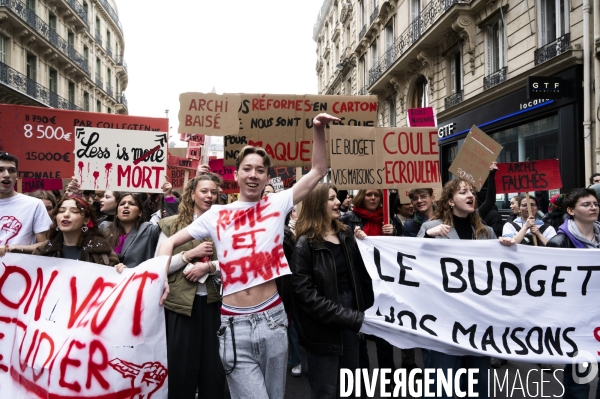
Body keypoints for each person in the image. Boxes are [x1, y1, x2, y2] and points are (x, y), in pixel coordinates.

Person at [157, 113, 337, 399]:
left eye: (260, 170)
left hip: (273, 319)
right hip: (232, 325)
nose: (253, 174)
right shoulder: (216, 214)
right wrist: (160, 278)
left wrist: (317, 129)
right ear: (236, 173)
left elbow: (318, 170)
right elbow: (168, 244)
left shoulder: (277, 204)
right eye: (247, 168)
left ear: (268, 176)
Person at [416, 177, 510, 399]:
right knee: (441, 387)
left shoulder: (485, 232)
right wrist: (428, 237)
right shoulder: (430, 227)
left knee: (479, 387)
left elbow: (498, 272)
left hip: (478, 322)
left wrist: (508, 249)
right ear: (449, 201)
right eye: (463, 192)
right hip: (444, 322)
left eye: (472, 192)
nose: (470, 196)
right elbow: (412, 261)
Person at [291, 183, 372, 398]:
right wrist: (346, 315)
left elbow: (360, 276)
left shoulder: (346, 236)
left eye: (336, 197)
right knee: (326, 390)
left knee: (350, 387)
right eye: (331, 198)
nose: (338, 202)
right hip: (322, 326)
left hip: (350, 319)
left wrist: (365, 244)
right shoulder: (304, 245)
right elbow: (305, 295)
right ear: (317, 204)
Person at [157, 174, 225, 399]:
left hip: (215, 306)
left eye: (213, 192)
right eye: (204, 191)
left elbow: (236, 263)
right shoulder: (171, 225)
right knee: (181, 372)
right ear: (192, 194)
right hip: (181, 308)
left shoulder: (225, 223)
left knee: (213, 372)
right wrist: (188, 256)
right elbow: (159, 268)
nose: (209, 196)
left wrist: (209, 267)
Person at [340, 189, 408, 376]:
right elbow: (342, 251)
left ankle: (389, 379)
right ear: (362, 196)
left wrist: (393, 233)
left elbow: (402, 250)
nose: (372, 198)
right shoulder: (348, 220)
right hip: (359, 286)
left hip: (383, 286)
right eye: (369, 194)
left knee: (384, 338)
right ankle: (363, 382)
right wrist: (352, 239)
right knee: (360, 335)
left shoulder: (390, 219)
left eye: (376, 195)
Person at [547, 188, 600, 399]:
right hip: (578, 324)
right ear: (570, 210)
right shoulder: (559, 243)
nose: (593, 207)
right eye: (586, 205)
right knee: (580, 380)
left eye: (595, 203)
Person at [31, 196, 119, 265]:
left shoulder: (101, 250)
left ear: (86, 220)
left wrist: (120, 270)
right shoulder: (44, 250)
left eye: (74, 211)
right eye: (61, 211)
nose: (66, 215)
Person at [0, 152, 52, 256]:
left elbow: (46, 244)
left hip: (19, 270)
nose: (6, 175)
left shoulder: (34, 204)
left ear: (17, 176)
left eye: (11, 170)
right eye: (0, 170)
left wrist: (18, 248)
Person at [107, 193, 161, 269]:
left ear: (140, 213)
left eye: (132, 204)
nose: (126, 206)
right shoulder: (105, 228)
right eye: (122, 204)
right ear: (116, 213)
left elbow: (169, 226)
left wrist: (169, 198)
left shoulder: (148, 230)